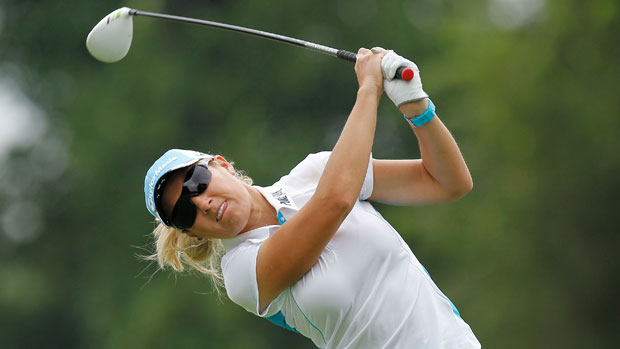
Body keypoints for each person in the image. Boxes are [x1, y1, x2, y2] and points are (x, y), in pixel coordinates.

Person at [143, 47, 481, 348]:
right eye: (185, 213)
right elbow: (335, 201)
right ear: (192, 233)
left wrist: (415, 105)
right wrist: (369, 89)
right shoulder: (242, 272)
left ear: (221, 165)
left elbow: (447, 182)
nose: (200, 202)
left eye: (196, 183)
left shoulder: (317, 171)